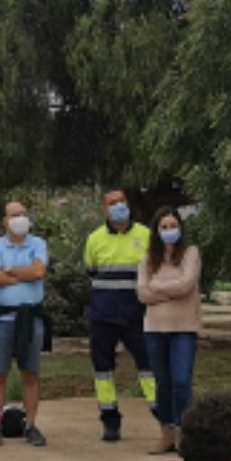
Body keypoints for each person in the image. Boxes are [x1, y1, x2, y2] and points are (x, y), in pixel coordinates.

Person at [82, 189, 157, 442]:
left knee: (149, 367)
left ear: (129, 204)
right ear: (104, 209)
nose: (118, 206)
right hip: (103, 316)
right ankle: (110, 420)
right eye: (112, 203)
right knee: (103, 370)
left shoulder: (146, 235)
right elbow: (91, 271)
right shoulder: (94, 239)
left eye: (121, 201)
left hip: (138, 315)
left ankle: (163, 417)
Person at [0, 199, 49, 448]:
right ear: (5, 221)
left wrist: (9, 271)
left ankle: (30, 425)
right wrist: (24, 273)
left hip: (31, 319)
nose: (20, 219)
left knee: (31, 372)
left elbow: (39, 272)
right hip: (3, 319)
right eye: (14, 215)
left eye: (23, 214)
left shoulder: (38, 244)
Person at [137, 207, 201, 456]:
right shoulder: (148, 258)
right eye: (163, 227)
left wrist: (157, 286)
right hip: (154, 329)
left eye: (173, 226)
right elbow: (142, 293)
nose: (169, 231)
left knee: (181, 382)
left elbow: (187, 284)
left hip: (184, 327)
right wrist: (168, 290)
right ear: (156, 230)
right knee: (162, 383)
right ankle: (167, 432)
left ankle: (185, 433)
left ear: (180, 228)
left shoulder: (190, 253)